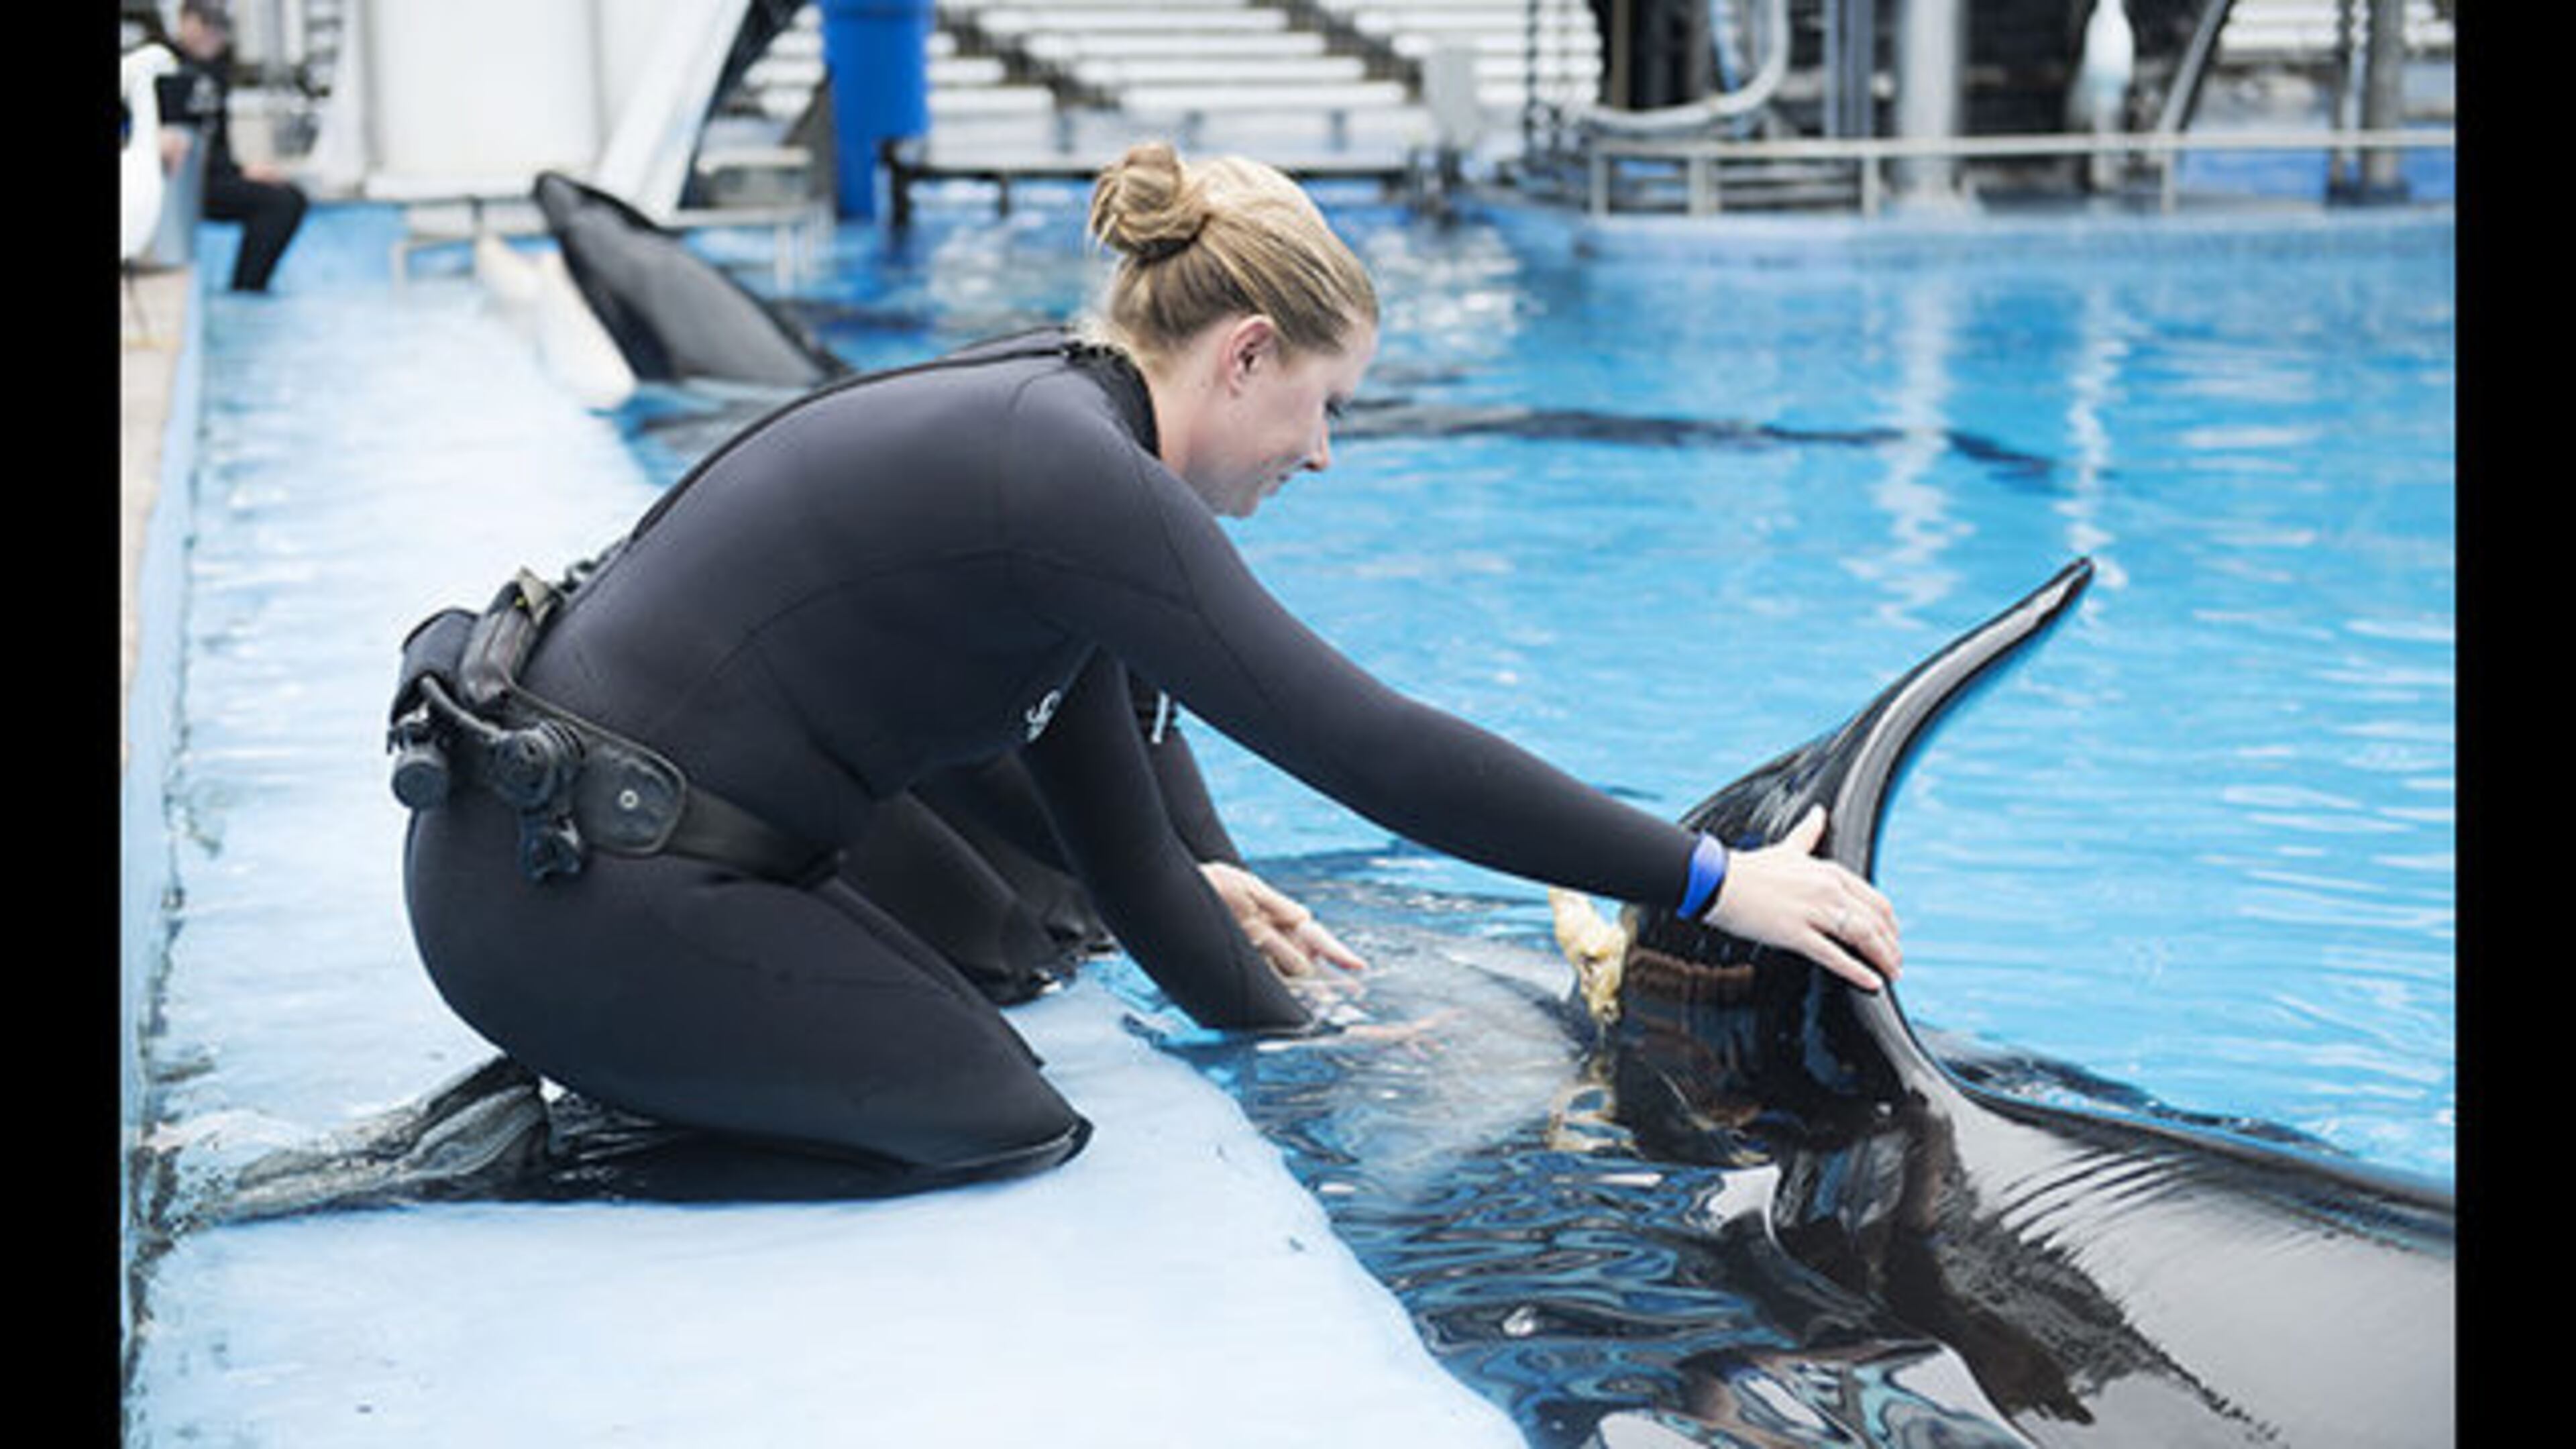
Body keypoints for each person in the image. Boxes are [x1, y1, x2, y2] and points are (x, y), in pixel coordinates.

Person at [395, 142, 1901, 1195]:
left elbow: (1131, 863)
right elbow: (1368, 743)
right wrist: (1709, 881)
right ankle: (533, 1165)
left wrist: (1314, 1038)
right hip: (567, 882)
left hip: (558, 859)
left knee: (1003, 995)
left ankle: (611, 1082)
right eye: (1321, 406)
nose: (1321, 452)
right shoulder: (1068, 474)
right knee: (996, 1124)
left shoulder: (1063, 449)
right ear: (1244, 354)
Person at [160, 1, 305, 292]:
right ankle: (247, 288)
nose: (212, 34)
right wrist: (145, 133)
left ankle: (247, 288)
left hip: (211, 177)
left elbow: (217, 140)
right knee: (280, 203)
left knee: (288, 199)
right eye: (205, 24)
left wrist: (243, 170)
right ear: (184, 21)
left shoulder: (217, 70)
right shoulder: (157, 63)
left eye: (220, 27)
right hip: (173, 186)